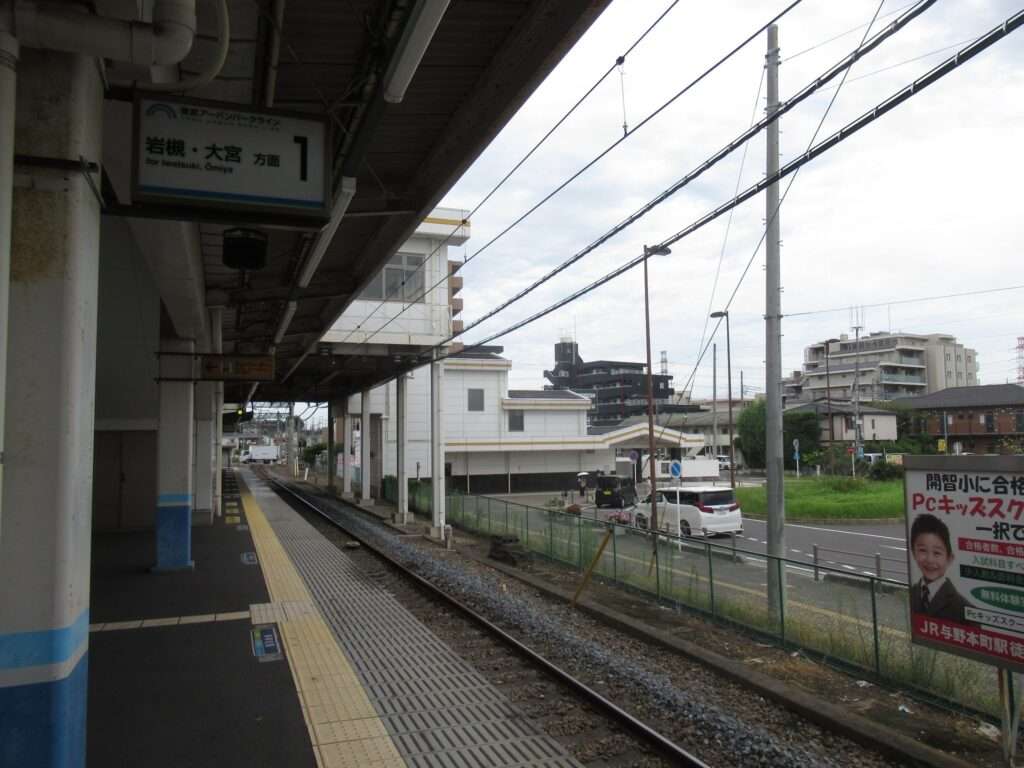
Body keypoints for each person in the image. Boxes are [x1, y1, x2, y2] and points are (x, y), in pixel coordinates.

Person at [909, 513, 970, 623]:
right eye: (922, 550)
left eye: (937, 553)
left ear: (949, 558)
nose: (929, 560)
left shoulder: (964, 609)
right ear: (913, 553)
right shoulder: (912, 592)